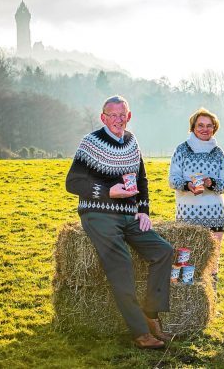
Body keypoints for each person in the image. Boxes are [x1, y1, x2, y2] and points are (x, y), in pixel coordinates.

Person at [66, 95, 173, 349]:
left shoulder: (132, 142)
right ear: (103, 117)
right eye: (112, 115)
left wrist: (144, 210)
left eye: (121, 114)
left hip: (129, 215)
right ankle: (140, 332)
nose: (117, 119)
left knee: (163, 251)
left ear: (129, 116)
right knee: (122, 263)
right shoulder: (90, 143)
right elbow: (72, 183)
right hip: (98, 214)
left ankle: (151, 314)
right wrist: (107, 192)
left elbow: (142, 180)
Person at [169, 108, 224, 282]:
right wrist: (188, 185)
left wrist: (211, 182)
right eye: (201, 125)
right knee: (187, 264)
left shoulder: (218, 152)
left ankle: (212, 305)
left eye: (209, 126)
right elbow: (172, 180)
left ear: (214, 128)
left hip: (215, 215)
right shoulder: (182, 150)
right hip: (188, 215)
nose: (205, 129)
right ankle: (188, 307)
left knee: (212, 267)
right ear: (193, 127)